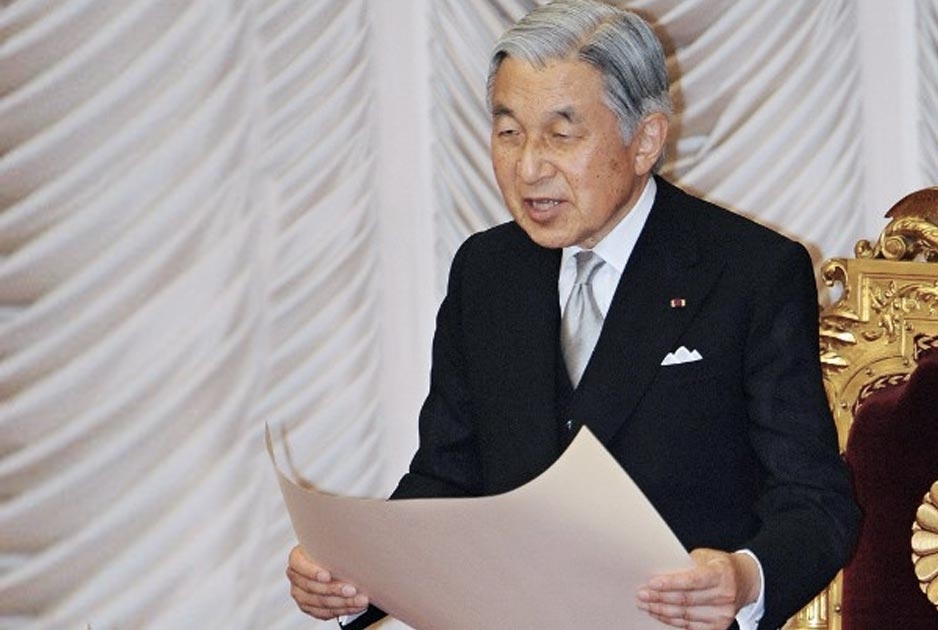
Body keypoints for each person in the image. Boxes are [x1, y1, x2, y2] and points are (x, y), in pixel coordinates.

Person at [287, 1, 859, 628]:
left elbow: (815, 503)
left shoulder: (749, 271)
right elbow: (447, 477)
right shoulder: (486, 271)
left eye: (561, 135)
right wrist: (358, 574)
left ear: (645, 141)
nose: (529, 167)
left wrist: (742, 579)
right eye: (509, 132)